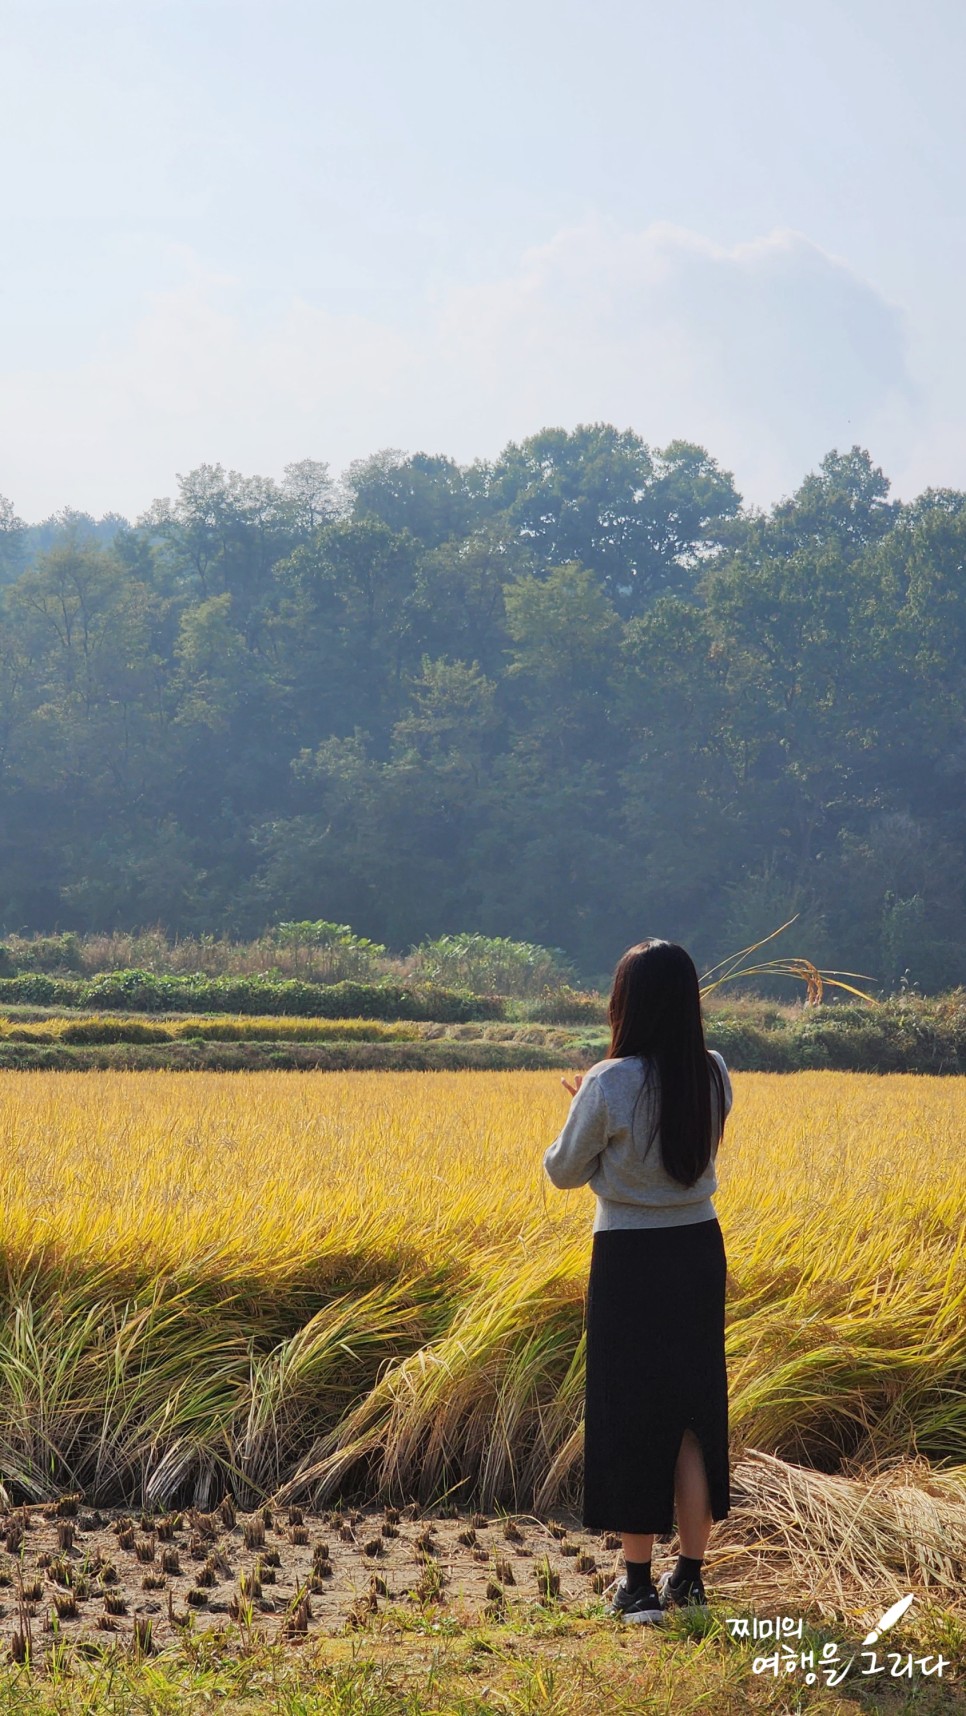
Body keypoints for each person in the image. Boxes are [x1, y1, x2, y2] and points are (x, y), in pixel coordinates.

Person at [543, 938, 733, 1624]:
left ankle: (636, 1584)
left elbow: (562, 1171)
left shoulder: (608, 1081)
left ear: (625, 1003)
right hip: (697, 1252)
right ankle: (691, 1577)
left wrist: (585, 1110)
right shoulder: (713, 1072)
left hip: (628, 1258)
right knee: (691, 1418)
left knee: (630, 1413)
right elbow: (684, 1155)